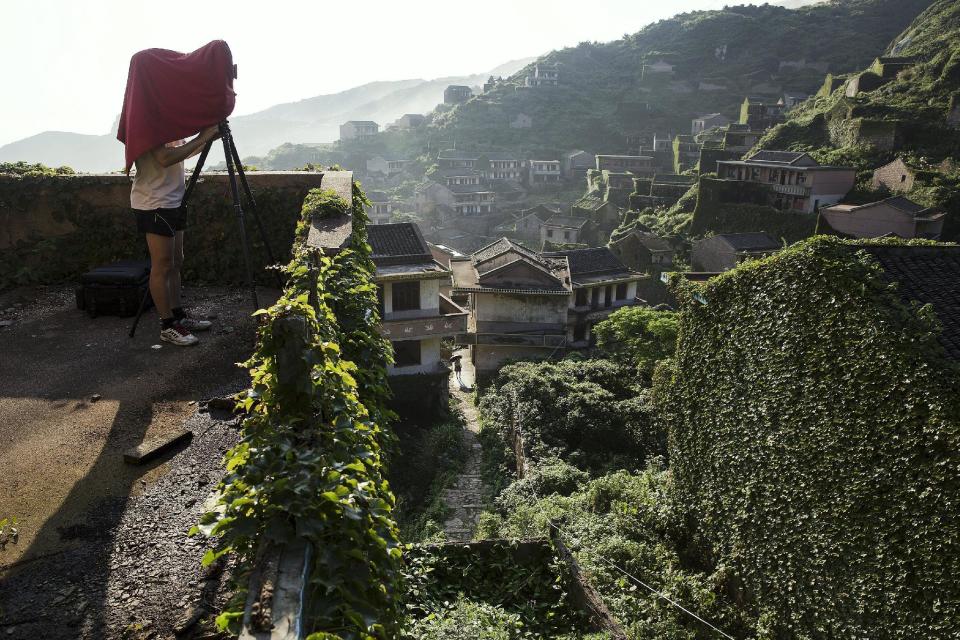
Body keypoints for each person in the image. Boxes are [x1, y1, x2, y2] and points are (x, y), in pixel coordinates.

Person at [131, 125, 220, 346]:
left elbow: (183, 152)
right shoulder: (149, 123)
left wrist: (206, 138)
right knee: (161, 265)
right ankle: (167, 325)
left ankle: (178, 315)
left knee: (175, 262)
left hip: (174, 200)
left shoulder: (168, 121)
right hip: (154, 203)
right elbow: (163, 158)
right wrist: (203, 136)